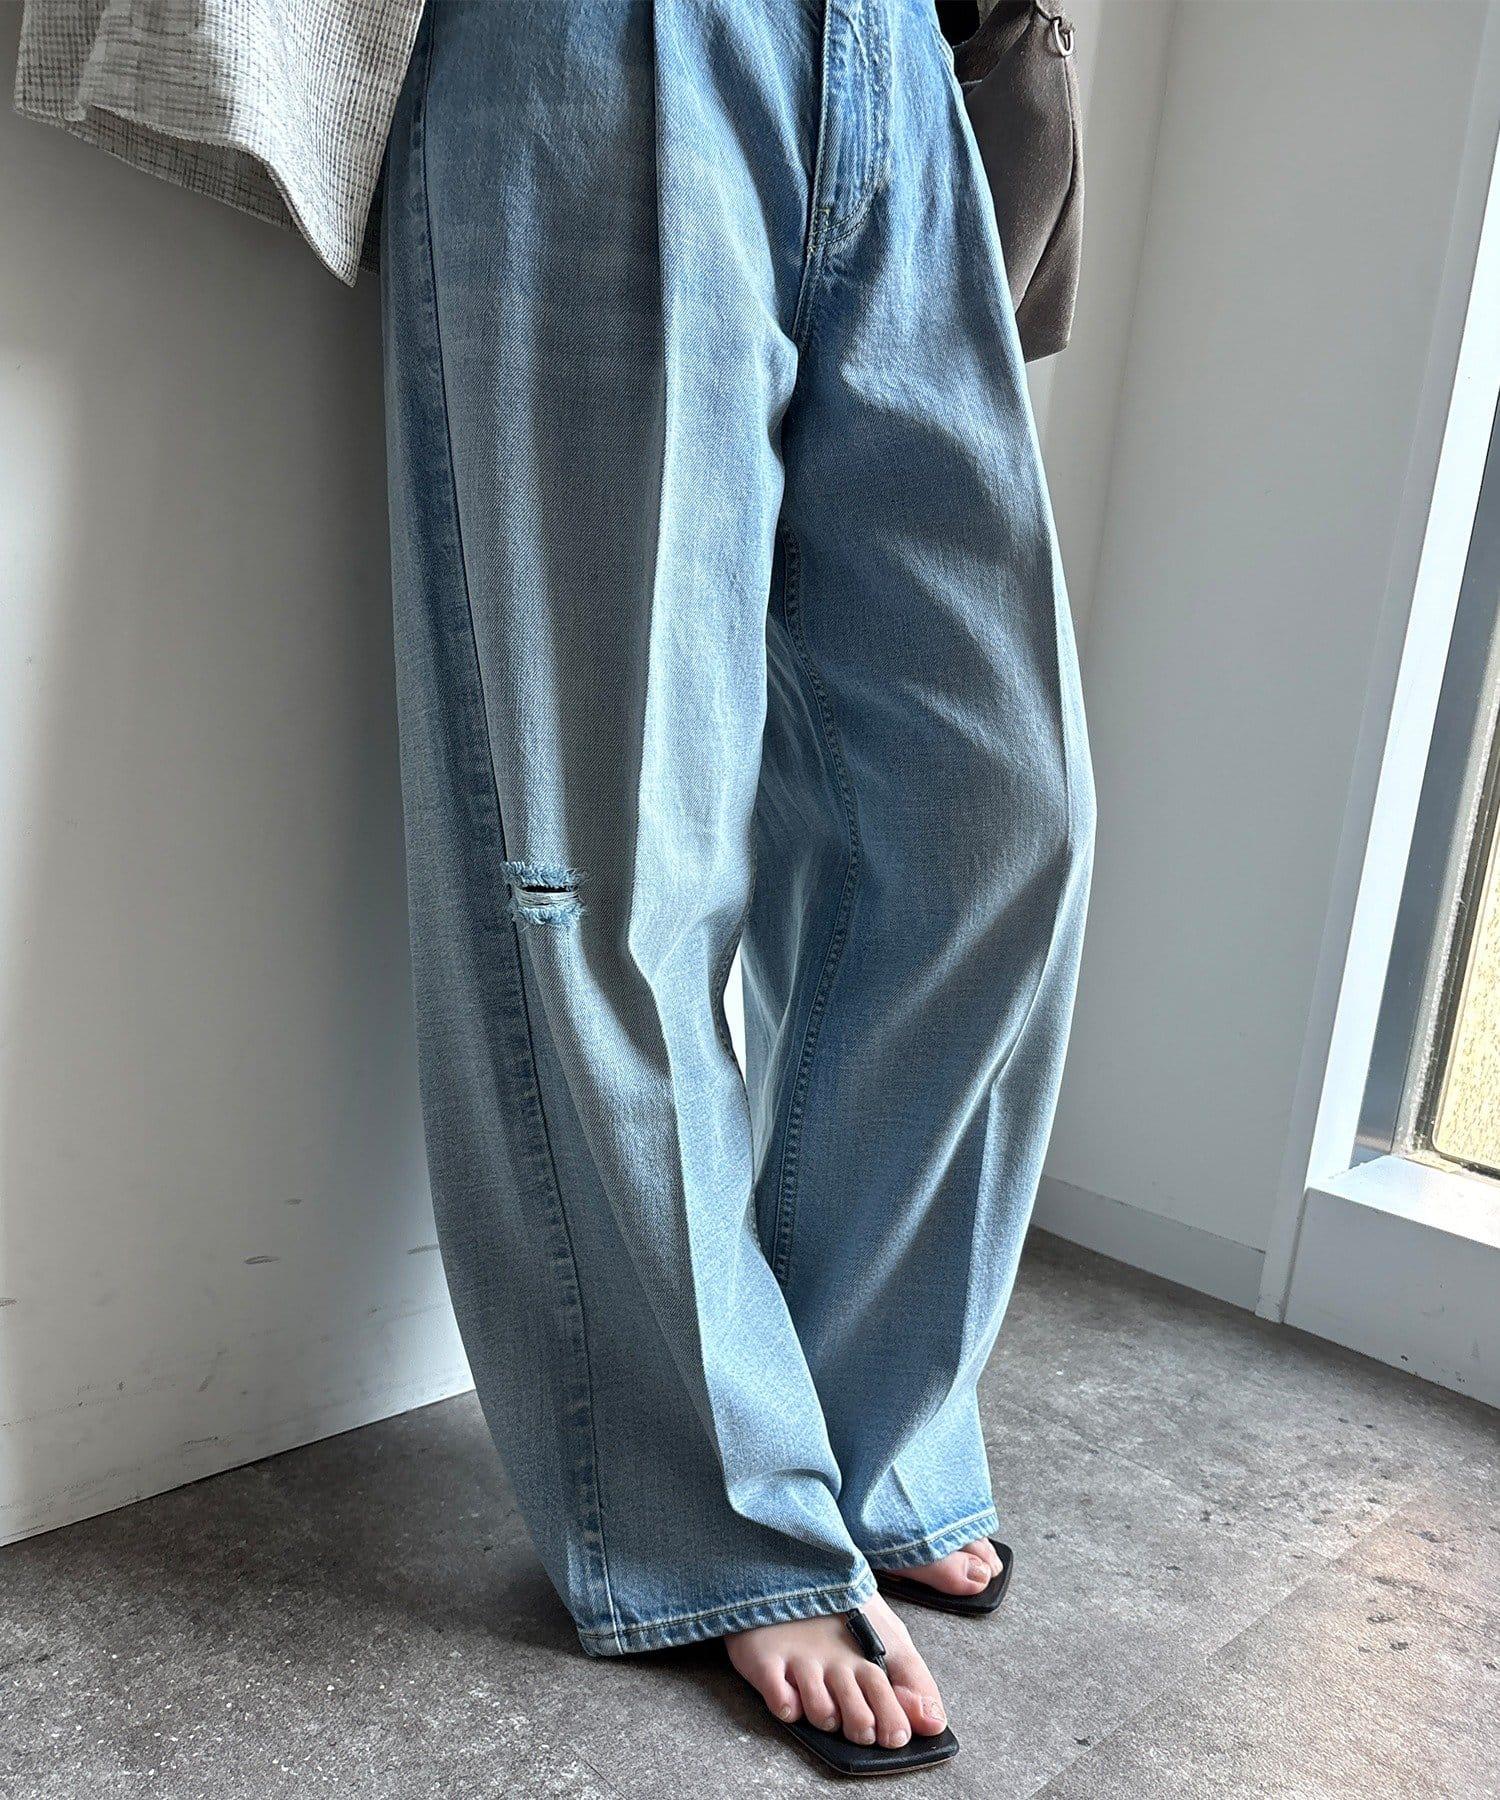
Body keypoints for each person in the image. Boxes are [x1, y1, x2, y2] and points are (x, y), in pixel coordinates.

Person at [18, 0, 1094, 1776]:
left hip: (899, 57)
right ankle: (716, 1504)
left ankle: (857, 1422)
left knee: (1000, 820)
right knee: (604, 862)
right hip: (605, 44)